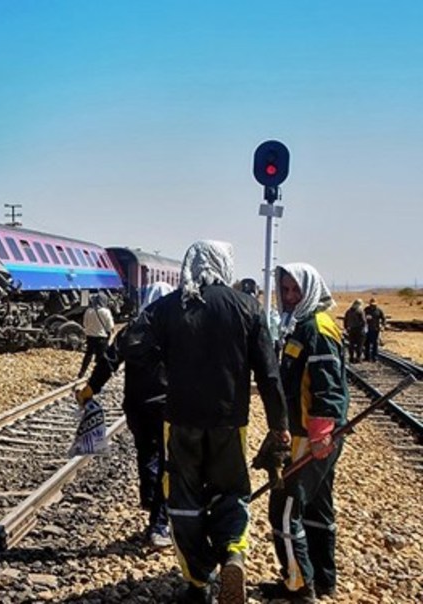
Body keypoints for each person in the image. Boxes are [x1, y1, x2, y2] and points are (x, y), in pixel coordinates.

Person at [142, 240, 289, 604]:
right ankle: (233, 554)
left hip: (181, 422)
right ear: (226, 264)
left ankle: (197, 581)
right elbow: (270, 374)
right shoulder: (247, 306)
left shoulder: (170, 306)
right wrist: (279, 424)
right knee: (232, 492)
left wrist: (165, 369)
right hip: (229, 422)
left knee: (183, 499)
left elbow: (133, 343)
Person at [261, 264, 350, 602]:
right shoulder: (304, 324)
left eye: (295, 290)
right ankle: (324, 579)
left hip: (310, 435)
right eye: (284, 290)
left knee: (283, 509)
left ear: (311, 288)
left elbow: (328, 386)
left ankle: (298, 586)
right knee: (317, 508)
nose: (288, 296)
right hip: (315, 434)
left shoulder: (317, 327)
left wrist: (321, 432)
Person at [78, 281, 174, 548]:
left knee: (146, 453)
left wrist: (90, 389)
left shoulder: (132, 329)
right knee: (168, 463)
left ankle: (149, 498)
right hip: (165, 407)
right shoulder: (173, 331)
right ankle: (159, 525)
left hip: (135, 406)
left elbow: (109, 360)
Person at [78, 293, 114, 378]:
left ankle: (82, 372)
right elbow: (110, 327)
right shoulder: (106, 312)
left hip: (90, 337)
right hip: (101, 338)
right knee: (101, 358)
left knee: (88, 354)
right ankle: (97, 375)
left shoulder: (88, 311)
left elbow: (84, 324)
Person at [342, 299, 366, 363]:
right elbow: (364, 321)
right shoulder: (360, 311)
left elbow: (345, 320)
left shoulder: (348, 311)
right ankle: (358, 358)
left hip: (351, 330)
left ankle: (351, 358)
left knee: (351, 345)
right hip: (359, 330)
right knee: (360, 345)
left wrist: (346, 328)